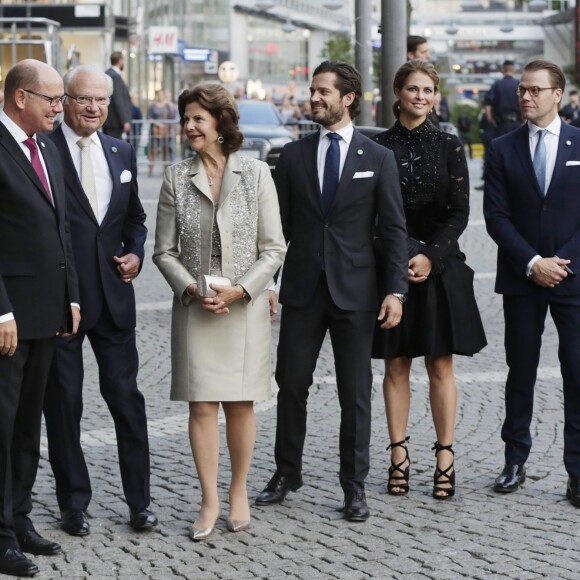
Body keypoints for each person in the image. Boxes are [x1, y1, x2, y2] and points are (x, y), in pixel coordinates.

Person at [255, 61, 408, 521]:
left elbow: (395, 230)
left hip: (357, 293)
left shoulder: (376, 157)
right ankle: (287, 472)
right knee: (291, 385)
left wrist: (395, 291)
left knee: (354, 392)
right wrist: (266, 283)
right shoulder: (293, 155)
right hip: (302, 290)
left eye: (324, 91)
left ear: (348, 98)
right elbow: (275, 229)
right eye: (312, 90)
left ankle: (354, 485)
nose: (314, 98)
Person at [153, 83, 286, 541]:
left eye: (197, 119)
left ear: (220, 123)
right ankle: (209, 499)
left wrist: (243, 291)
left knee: (240, 403)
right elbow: (163, 252)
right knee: (202, 405)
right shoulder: (175, 178)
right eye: (185, 118)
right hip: (195, 306)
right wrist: (191, 288)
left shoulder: (256, 174)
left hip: (243, 307)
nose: (188, 126)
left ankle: (239, 491)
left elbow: (273, 248)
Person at [43, 65, 156, 538]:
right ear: (65, 100)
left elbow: (134, 218)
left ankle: (140, 503)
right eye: (84, 99)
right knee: (64, 405)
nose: (93, 108)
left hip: (113, 300)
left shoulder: (121, 149)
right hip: (61, 302)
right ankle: (74, 504)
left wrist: (135, 252)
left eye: (102, 101)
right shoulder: (42, 151)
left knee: (127, 400)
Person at [372, 59, 486, 501]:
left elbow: (460, 211)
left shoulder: (449, 145)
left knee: (441, 364)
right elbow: (373, 215)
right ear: (398, 93)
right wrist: (402, 257)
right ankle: (398, 454)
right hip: (393, 265)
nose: (421, 97)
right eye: (413, 89)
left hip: (439, 266)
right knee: (395, 364)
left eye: (428, 90)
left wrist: (429, 256)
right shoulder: (378, 148)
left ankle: (445, 455)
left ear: (435, 96)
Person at [483, 59, 580, 508]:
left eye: (535, 90)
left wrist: (562, 263)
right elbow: (496, 217)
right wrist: (533, 261)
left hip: (573, 279)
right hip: (523, 278)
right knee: (519, 372)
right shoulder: (501, 148)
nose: (525, 96)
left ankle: (577, 472)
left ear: (557, 95)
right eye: (522, 89)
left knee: (577, 374)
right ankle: (514, 461)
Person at [0, 59, 80, 578]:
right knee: (2, 428)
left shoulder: (49, 146)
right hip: (8, 318)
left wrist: (71, 295)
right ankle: (1, 535)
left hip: (49, 313)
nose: (61, 108)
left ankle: (21, 519)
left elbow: (62, 226)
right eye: (51, 99)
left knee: (30, 426)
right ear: (20, 98)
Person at [484, 60, 521, 138]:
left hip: (500, 125)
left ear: (502, 70)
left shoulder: (496, 85)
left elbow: (488, 105)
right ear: (514, 70)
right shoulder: (519, 85)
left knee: (502, 148)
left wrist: (491, 122)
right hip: (517, 124)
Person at [103, 51, 132, 139]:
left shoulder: (108, 73)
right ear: (120, 61)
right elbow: (118, 100)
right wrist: (125, 121)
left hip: (110, 121)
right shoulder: (114, 76)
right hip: (114, 122)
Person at [147, 89, 175, 176]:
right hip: (154, 131)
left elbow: (171, 119)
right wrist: (157, 124)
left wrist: (171, 130)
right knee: (153, 150)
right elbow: (149, 118)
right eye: (159, 94)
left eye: (162, 94)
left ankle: (165, 171)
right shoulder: (152, 106)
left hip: (165, 131)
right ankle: (151, 171)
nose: (160, 96)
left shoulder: (167, 107)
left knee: (165, 150)